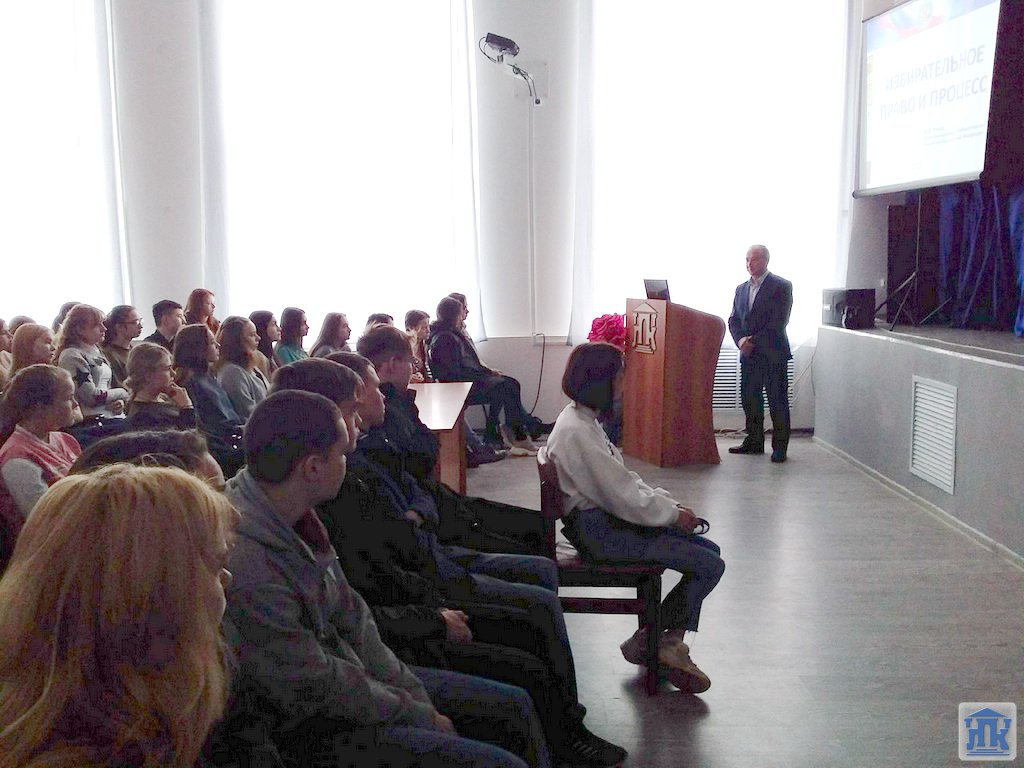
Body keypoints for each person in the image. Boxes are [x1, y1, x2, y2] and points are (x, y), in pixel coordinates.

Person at [273, 358, 625, 768]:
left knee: (535, 600)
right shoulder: (332, 497)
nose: (358, 421)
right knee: (524, 662)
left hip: (421, 583)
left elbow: (418, 486)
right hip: (413, 607)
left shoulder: (344, 476)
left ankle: (566, 731)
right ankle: (563, 738)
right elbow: (375, 592)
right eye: (351, 411)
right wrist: (435, 622)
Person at [223, 390, 536, 768]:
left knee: (513, 705)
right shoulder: (251, 565)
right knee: (502, 744)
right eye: (341, 453)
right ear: (312, 468)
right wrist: (417, 713)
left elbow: (355, 618)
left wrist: (412, 693)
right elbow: (316, 684)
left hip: (356, 679)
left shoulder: (295, 513)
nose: (349, 459)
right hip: (309, 729)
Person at [0, 464, 237, 768]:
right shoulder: (130, 748)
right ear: (156, 598)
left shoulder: (45, 713)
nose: (228, 578)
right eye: (215, 565)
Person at [545, 342, 725, 694]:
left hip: (605, 526)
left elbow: (623, 481)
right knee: (710, 564)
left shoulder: (581, 420)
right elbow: (623, 498)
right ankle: (659, 642)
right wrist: (672, 516)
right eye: (620, 375)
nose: (625, 383)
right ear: (602, 381)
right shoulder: (577, 432)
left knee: (711, 553)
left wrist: (671, 506)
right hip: (604, 535)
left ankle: (658, 641)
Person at [428, 297, 547, 452]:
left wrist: (485, 373)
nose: (464, 315)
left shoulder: (449, 334)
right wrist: (483, 375)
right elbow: (455, 373)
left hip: (465, 382)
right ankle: (517, 434)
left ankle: (507, 432)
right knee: (507, 387)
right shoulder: (446, 338)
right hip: (459, 388)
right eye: (462, 311)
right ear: (455, 315)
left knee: (509, 384)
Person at [727, 244, 793, 463]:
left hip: (773, 353)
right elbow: (733, 320)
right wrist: (740, 341)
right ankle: (754, 442)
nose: (749, 264)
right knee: (750, 400)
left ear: (765, 260)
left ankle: (780, 448)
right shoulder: (741, 289)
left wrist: (752, 341)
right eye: (746, 259)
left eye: (753, 259)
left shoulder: (781, 286)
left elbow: (779, 321)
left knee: (777, 401)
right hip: (749, 355)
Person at [0, 365, 81, 520]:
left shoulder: (66, 440)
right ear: (40, 407)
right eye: (69, 398)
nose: (76, 404)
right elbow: (45, 519)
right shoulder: (17, 460)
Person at [173, 324, 245, 477]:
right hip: (220, 449)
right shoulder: (191, 383)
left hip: (232, 437)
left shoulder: (208, 376)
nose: (218, 345)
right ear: (199, 349)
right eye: (212, 343)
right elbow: (207, 428)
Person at [54, 304, 128, 444]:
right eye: (96, 325)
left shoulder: (96, 351)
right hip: (91, 423)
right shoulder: (71, 356)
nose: (104, 329)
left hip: (109, 417)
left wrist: (119, 402)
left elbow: (106, 389)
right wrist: (123, 393)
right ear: (80, 329)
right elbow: (91, 396)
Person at [124, 341, 197, 431]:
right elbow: (189, 437)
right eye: (167, 369)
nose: (174, 374)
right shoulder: (143, 417)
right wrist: (186, 407)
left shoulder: (168, 398)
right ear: (148, 375)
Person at [215, 316, 269, 419]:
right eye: (252, 335)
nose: (258, 338)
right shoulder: (232, 373)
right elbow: (247, 411)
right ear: (237, 341)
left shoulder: (251, 366)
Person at [100, 304, 144, 388]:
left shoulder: (137, 350)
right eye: (135, 322)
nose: (140, 326)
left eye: (140, 321)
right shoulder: (109, 355)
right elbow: (120, 385)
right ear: (119, 327)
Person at [248, 310, 282, 379]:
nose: (279, 328)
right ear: (262, 328)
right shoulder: (258, 358)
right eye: (273, 324)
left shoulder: (271, 355)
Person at [405, 309, 432, 382]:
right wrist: (408, 377)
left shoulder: (423, 344)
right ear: (411, 328)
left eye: (428, 326)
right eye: (424, 327)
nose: (428, 331)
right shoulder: (403, 346)